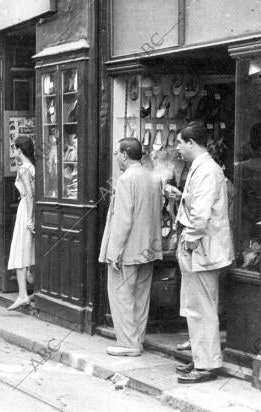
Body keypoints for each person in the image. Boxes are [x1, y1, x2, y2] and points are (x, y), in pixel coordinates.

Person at [174, 121, 234, 384]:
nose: (177, 148)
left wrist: (189, 241)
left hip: (201, 250)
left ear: (190, 143)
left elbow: (200, 215)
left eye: (179, 142)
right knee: (196, 307)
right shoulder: (202, 168)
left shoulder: (206, 170)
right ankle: (201, 358)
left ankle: (208, 364)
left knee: (203, 308)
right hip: (200, 249)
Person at [99, 137, 162, 356]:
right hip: (148, 248)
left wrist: (114, 251)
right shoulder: (152, 177)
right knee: (141, 296)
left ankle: (128, 343)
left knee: (121, 295)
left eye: (117, 153)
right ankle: (138, 338)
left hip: (128, 250)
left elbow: (123, 220)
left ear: (125, 155)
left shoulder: (126, 179)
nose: (116, 156)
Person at [7, 136, 36, 311]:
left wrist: (30, 217)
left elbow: (29, 194)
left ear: (19, 150)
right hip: (29, 209)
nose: (14, 152)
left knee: (20, 250)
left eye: (15, 149)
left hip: (26, 209)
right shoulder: (32, 167)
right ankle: (30, 292)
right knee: (29, 250)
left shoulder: (24, 169)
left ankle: (22, 295)